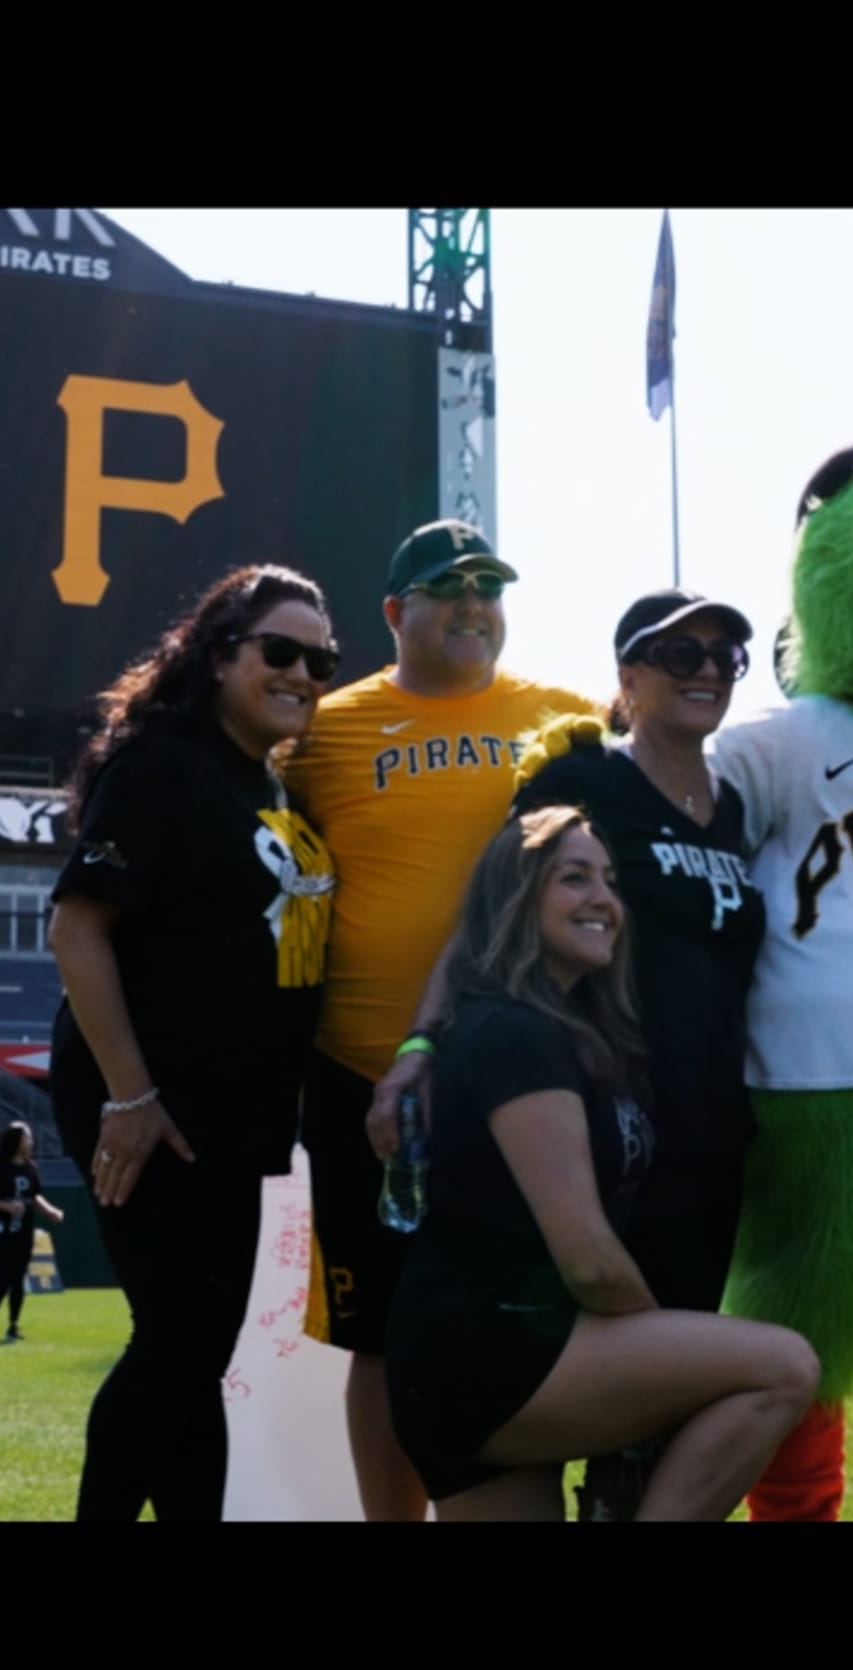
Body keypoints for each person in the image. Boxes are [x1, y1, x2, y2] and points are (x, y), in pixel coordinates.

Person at [285, 520, 598, 1521]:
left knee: (534, 1313)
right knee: (379, 1340)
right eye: (446, 586)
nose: (472, 604)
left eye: (487, 587)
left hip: (521, 1083)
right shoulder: (324, 730)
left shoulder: (568, 718)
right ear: (394, 612)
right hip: (362, 1080)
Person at [382, 806, 818, 1520]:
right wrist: (661, 1354)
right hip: (488, 1354)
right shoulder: (515, 1034)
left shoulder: (570, 1029)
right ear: (516, 900)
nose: (603, 900)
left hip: (477, 1362)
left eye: (610, 881)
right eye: (572, 878)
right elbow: (585, 1257)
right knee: (783, 1367)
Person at [52, 564, 340, 1523]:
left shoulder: (276, 785)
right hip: (151, 1102)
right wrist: (130, 1099)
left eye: (322, 660)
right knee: (181, 1335)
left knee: (210, 1349)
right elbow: (77, 928)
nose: (304, 672)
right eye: (281, 651)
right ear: (219, 657)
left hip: (244, 1116)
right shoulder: (160, 763)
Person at [512, 590, 767, 1520]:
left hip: (713, 1134)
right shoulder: (584, 780)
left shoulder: (736, 805)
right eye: (680, 654)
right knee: (605, 1371)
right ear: (627, 677)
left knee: (673, 1398)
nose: (706, 670)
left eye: (724, 657)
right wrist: (425, 1044)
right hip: (607, 1122)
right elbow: (495, 921)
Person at [0, 1122, 67, 1343]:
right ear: (16, 1140)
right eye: (27, 1137)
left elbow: (35, 1196)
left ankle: (13, 1325)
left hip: (24, 1228)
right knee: (6, 1273)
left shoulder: (30, 1168)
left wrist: (50, 1211)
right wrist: (7, 1207)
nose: (31, 1141)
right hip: (2, 1228)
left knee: (18, 1276)